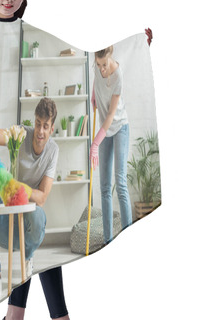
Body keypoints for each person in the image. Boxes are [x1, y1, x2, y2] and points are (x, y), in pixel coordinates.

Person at [0, 97, 69, 320]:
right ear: (33, 122)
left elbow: (42, 197)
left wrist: (18, 187)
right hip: (5, 223)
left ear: (52, 128)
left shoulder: (53, 151)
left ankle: (27, 257)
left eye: (45, 126)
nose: (40, 131)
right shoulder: (21, 133)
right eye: (38, 123)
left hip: (26, 223)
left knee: (39, 217)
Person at [89, 45, 133, 244]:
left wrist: (95, 143)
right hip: (104, 131)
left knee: (120, 182)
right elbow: (97, 82)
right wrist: (93, 94)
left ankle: (128, 236)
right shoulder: (98, 68)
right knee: (105, 187)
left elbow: (110, 117)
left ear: (111, 56)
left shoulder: (118, 76)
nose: (102, 69)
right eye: (98, 65)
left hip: (118, 127)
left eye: (104, 64)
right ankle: (108, 240)